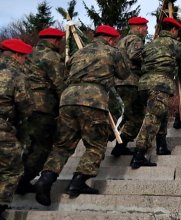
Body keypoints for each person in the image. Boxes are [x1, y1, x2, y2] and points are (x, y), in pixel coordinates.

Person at [33, 25, 129, 206]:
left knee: (62, 146)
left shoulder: (78, 53)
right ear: (110, 39)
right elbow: (124, 74)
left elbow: (65, 75)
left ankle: (45, 180)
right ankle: (78, 182)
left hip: (68, 99)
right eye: (114, 40)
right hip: (93, 100)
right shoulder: (111, 51)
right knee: (96, 144)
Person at [130, 18, 181, 168]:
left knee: (161, 114)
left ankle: (161, 145)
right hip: (160, 84)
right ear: (174, 30)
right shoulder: (175, 44)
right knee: (153, 117)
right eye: (177, 32)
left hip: (144, 84)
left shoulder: (150, 44)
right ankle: (139, 154)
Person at [18, 28, 66, 195]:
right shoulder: (51, 57)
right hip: (43, 107)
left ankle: (21, 181)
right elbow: (60, 84)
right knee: (42, 148)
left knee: (31, 145)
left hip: (23, 105)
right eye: (59, 41)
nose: (60, 45)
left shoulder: (27, 55)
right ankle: (22, 179)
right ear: (55, 41)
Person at [0, 39, 33, 220]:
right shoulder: (15, 75)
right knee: (11, 170)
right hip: (3, 130)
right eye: (24, 57)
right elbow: (25, 107)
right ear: (16, 55)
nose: (25, 61)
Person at [111, 16, 149, 157]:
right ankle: (121, 144)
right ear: (139, 27)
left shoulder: (121, 41)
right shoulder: (136, 39)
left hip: (119, 82)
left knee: (125, 115)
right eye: (145, 27)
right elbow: (135, 55)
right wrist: (150, 58)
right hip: (131, 82)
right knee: (137, 116)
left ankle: (119, 144)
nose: (147, 30)